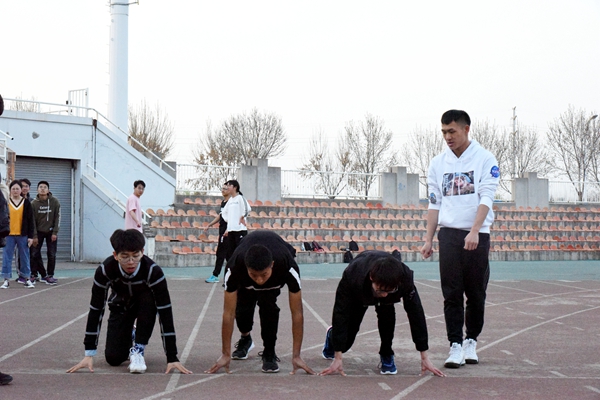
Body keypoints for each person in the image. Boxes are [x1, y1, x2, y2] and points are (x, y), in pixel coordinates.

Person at [420, 110, 500, 369]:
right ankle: (455, 344)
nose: (448, 137)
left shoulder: (485, 158)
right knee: (451, 293)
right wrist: (429, 239)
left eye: (452, 131)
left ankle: (471, 341)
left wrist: (475, 230)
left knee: (476, 293)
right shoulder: (437, 163)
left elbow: (487, 196)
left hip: (477, 233)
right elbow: (434, 203)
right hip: (449, 234)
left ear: (466, 129)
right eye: (444, 132)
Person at [67, 229, 192, 375]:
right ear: (115, 255)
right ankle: (131, 333)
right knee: (113, 359)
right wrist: (89, 353)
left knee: (148, 298)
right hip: (120, 306)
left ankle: (138, 349)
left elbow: (165, 311)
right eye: (125, 257)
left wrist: (172, 356)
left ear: (142, 252)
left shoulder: (153, 271)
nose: (131, 262)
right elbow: (96, 308)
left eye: (135, 256)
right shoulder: (105, 270)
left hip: (145, 307)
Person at [320, 251, 445, 377]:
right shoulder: (353, 276)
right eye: (381, 290)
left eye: (389, 290)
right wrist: (338, 356)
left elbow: (416, 314)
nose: (384, 295)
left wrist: (424, 356)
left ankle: (387, 353)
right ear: (371, 278)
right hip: (361, 290)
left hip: (383, 285)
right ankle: (331, 335)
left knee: (387, 317)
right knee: (348, 337)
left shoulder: (405, 278)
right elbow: (341, 312)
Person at [206, 230, 314, 375]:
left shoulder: (287, 266)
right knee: (242, 311)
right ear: (246, 267)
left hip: (275, 271)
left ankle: (269, 352)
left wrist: (296, 356)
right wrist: (225, 354)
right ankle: (246, 338)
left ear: (272, 265)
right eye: (254, 275)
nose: (259, 280)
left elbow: (297, 313)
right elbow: (228, 314)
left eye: (264, 274)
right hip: (245, 276)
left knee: (269, 310)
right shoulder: (235, 267)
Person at [1, 180, 36, 289]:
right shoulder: (6, 202)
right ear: (10, 190)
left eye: (17, 188)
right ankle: (6, 280)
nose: (15, 191)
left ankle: (27, 278)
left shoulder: (26, 203)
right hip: (8, 235)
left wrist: (31, 237)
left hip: (23, 235)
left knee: (25, 257)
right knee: (7, 257)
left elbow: (31, 221)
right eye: (13, 188)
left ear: (21, 190)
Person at [30, 180, 60, 285]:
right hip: (38, 232)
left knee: (51, 254)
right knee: (34, 253)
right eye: (40, 187)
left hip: (51, 232)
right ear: (37, 190)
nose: (42, 189)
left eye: (45, 187)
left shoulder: (54, 202)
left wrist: (55, 232)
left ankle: (50, 275)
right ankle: (34, 274)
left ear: (48, 190)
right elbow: (32, 221)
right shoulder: (33, 204)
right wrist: (34, 235)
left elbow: (57, 217)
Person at [204, 183, 230, 283]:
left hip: (227, 232)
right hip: (222, 231)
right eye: (222, 188)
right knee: (225, 254)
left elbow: (232, 217)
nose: (222, 190)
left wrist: (228, 229)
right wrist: (210, 224)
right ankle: (228, 275)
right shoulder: (223, 202)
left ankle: (216, 275)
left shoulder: (231, 203)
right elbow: (220, 215)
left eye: (225, 189)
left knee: (222, 254)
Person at [221, 180, 251, 261]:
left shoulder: (240, 198)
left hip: (240, 230)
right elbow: (224, 213)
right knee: (231, 253)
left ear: (235, 187)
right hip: (231, 230)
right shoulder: (230, 200)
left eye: (229, 185)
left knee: (241, 252)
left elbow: (247, 209)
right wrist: (230, 221)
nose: (227, 187)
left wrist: (242, 216)